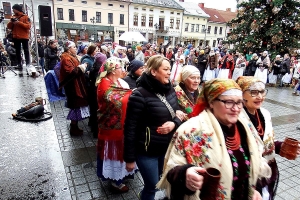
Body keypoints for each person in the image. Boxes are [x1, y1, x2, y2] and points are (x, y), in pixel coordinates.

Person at [157, 78, 271, 200]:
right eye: (228, 102)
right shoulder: (190, 130)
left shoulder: (245, 127)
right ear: (211, 102)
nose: (236, 108)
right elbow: (172, 168)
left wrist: (254, 190)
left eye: (239, 102)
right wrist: (184, 174)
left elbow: (256, 162)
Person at [124, 55, 184, 200]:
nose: (169, 72)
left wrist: (174, 123)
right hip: (147, 152)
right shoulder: (139, 95)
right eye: (165, 69)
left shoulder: (170, 89)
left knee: (161, 182)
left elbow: (178, 113)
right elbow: (130, 128)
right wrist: (129, 158)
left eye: (170, 69)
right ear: (153, 72)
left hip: (167, 149)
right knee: (152, 186)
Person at [236, 76, 300, 200]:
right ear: (242, 94)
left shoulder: (265, 113)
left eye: (262, 91)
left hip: (269, 171)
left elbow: (267, 141)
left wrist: (281, 146)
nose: (260, 96)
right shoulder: (236, 118)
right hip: (249, 176)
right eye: (253, 92)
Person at [96, 57, 134, 193]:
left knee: (122, 152)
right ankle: (115, 181)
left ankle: (122, 175)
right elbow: (115, 98)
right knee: (113, 154)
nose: (123, 70)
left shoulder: (118, 81)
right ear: (112, 70)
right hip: (111, 128)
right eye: (120, 68)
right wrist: (133, 95)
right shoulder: (104, 83)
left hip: (122, 125)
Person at [59, 41, 89, 136]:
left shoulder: (70, 57)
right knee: (75, 106)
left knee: (76, 106)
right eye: (74, 47)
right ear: (69, 49)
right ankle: (73, 127)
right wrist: (82, 67)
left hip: (75, 85)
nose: (76, 48)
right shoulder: (66, 58)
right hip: (73, 87)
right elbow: (72, 72)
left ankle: (75, 126)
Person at [7, 4, 31, 69]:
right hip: (16, 36)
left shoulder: (25, 17)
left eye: (14, 9)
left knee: (26, 50)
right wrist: (11, 22)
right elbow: (8, 27)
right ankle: (19, 64)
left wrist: (18, 22)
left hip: (24, 36)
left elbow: (28, 26)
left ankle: (28, 63)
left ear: (17, 9)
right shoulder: (13, 17)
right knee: (17, 50)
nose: (13, 10)